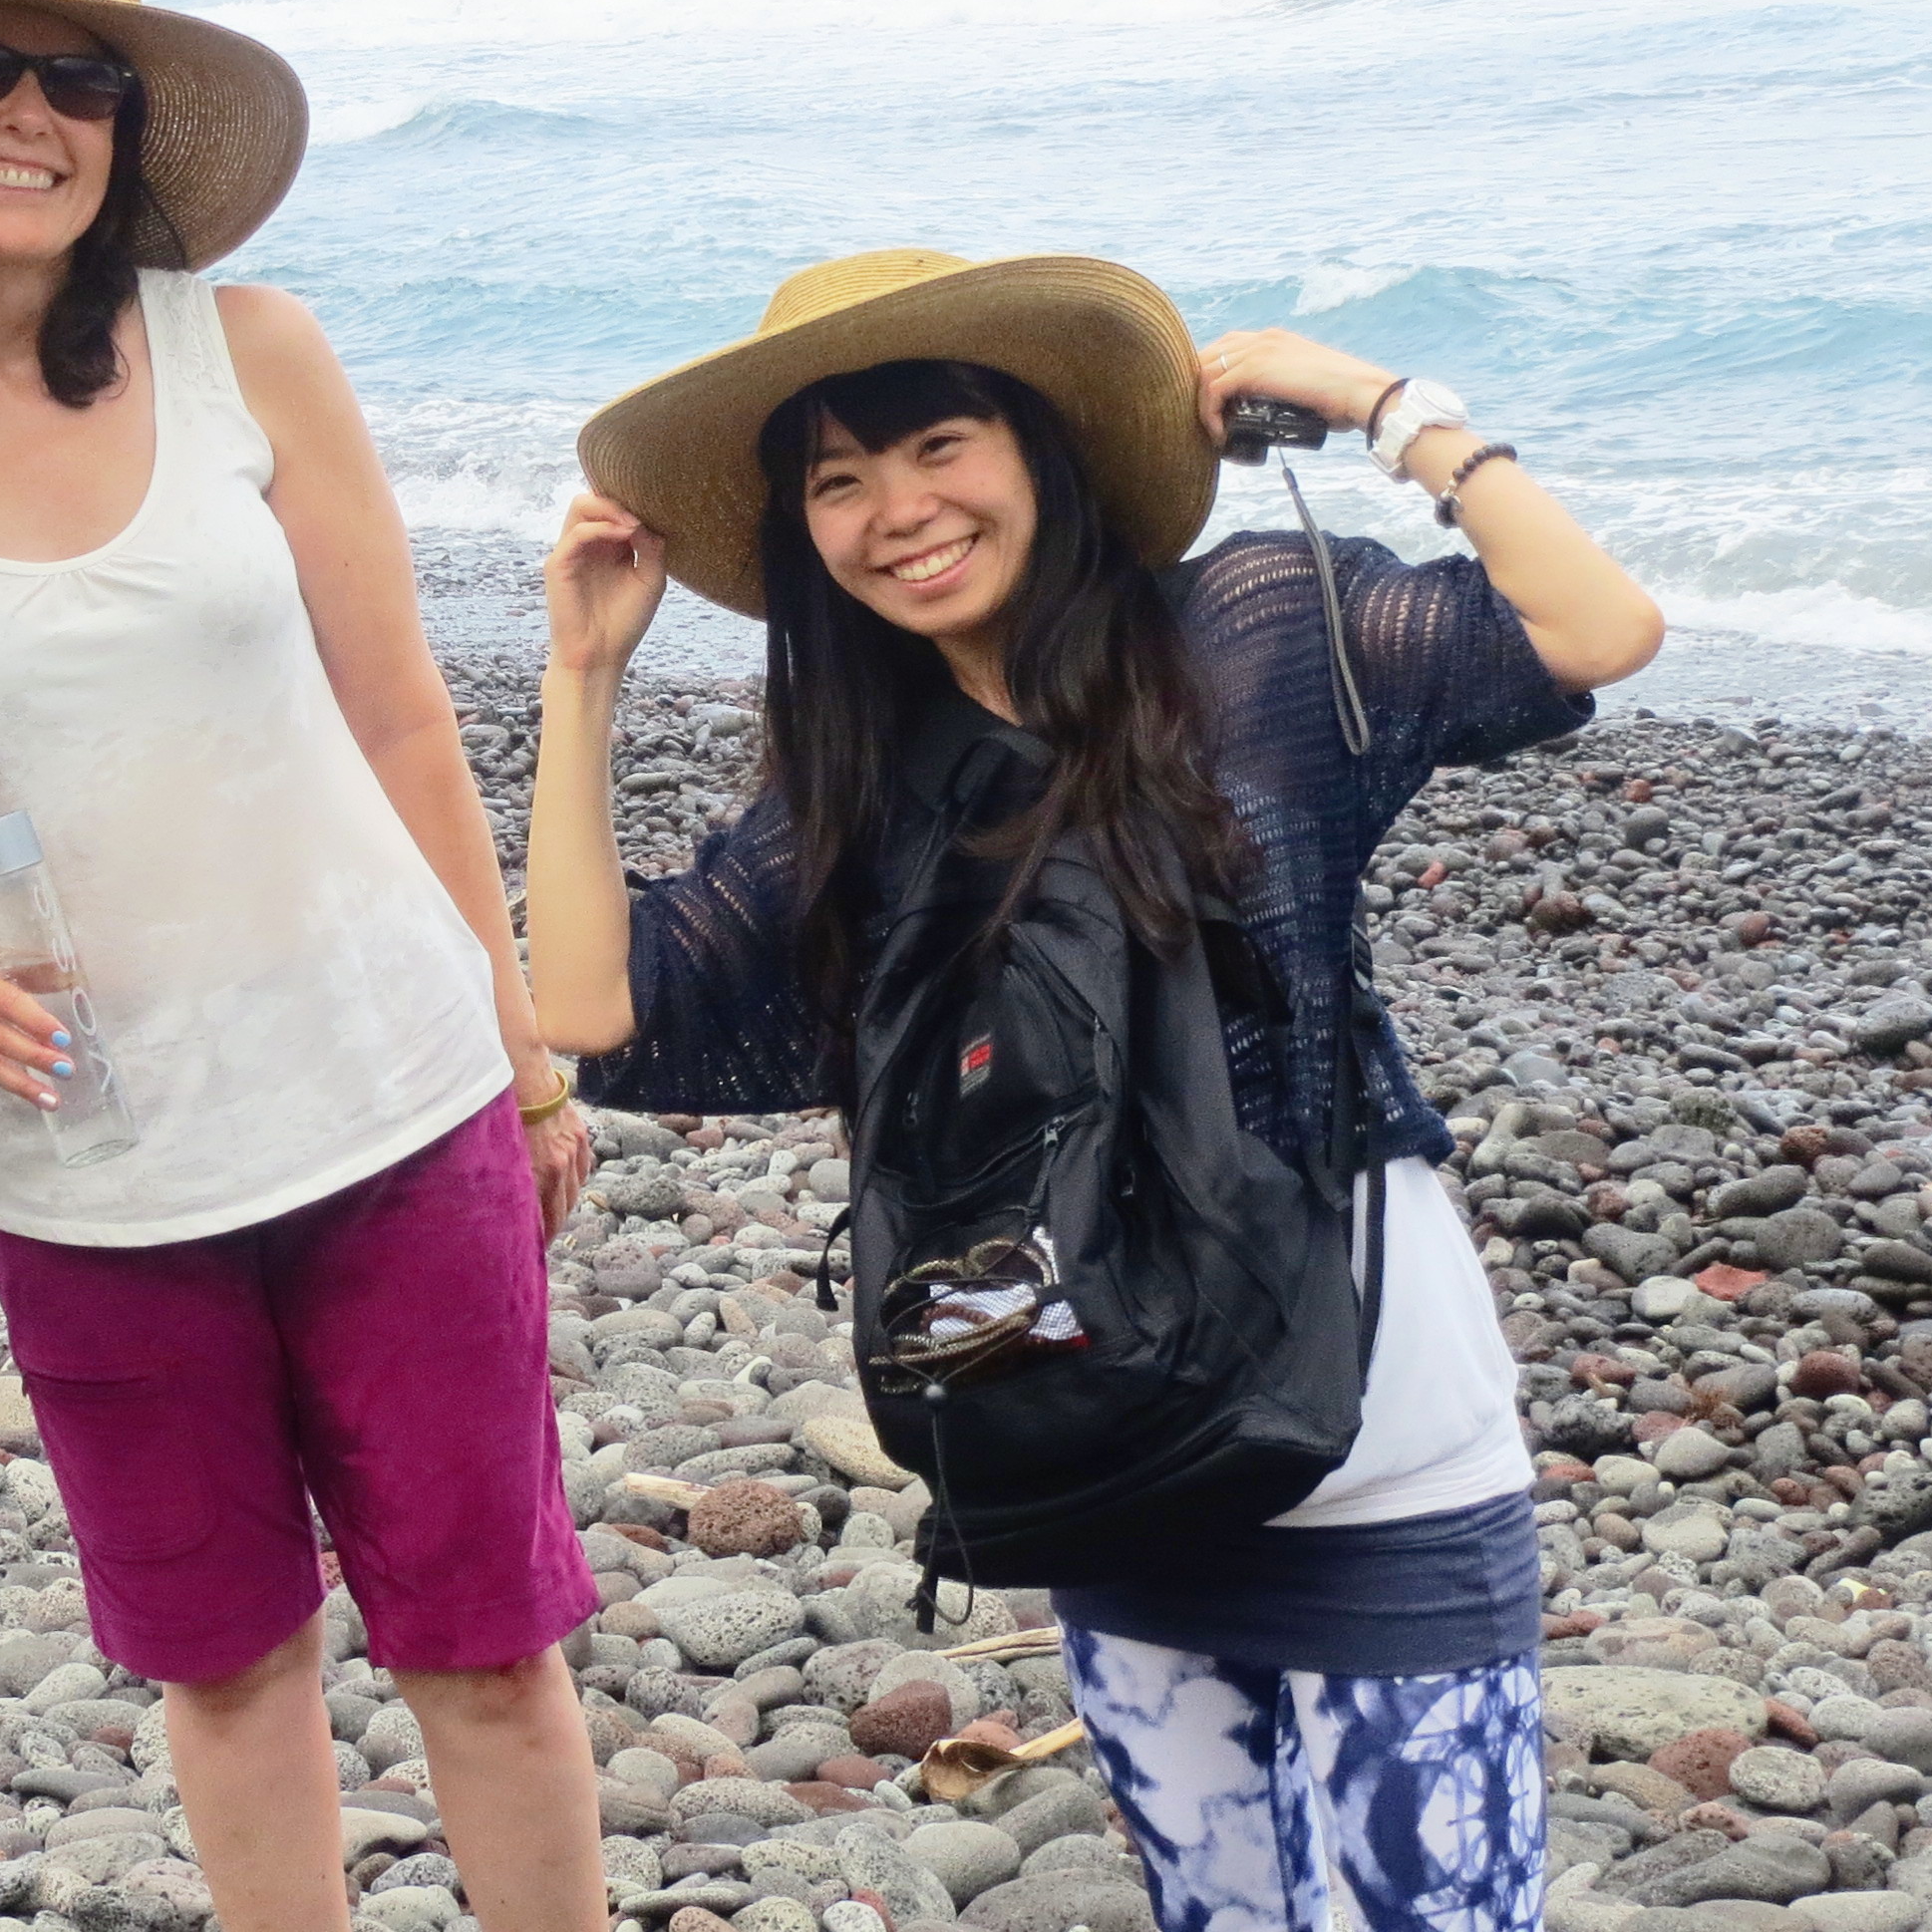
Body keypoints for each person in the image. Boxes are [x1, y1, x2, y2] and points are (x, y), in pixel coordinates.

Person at [525, 249, 1665, 1932]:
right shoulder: (856, 797)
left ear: (1041, 449)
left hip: (1372, 1419)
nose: (898, 512)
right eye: (838, 482)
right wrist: (582, 677)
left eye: (938, 446)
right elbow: (590, 1004)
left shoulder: (1249, 638)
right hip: (1095, 1432)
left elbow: (1596, 630)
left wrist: (1385, 406)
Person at [0, 0, 606, 1932]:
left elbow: (401, 717)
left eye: (80, 81)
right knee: (229, 1658)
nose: (27, 115)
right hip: (90, 1166)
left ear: (123, 132)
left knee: (483, 1640)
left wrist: (524, 1051)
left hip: (394, 1097)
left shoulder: (248, 350)